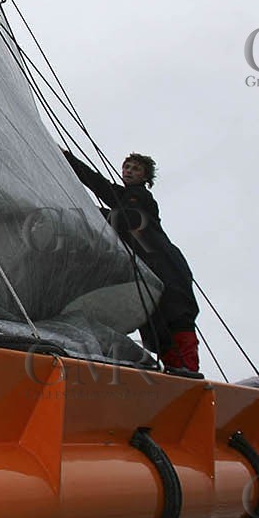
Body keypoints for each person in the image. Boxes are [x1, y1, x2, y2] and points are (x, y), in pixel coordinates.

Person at [62, 149, 201, 376]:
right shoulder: (126, 198)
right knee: (155, 319)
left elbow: (123, 213)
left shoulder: (140, 197)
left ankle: (187, 368)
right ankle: (177, 369)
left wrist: (88, 210)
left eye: (136, 169)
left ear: (145, 177)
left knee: (174, 313)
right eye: (127, 167)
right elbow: (101, 187)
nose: (129, 171)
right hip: (149, 265)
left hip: (163, 263)